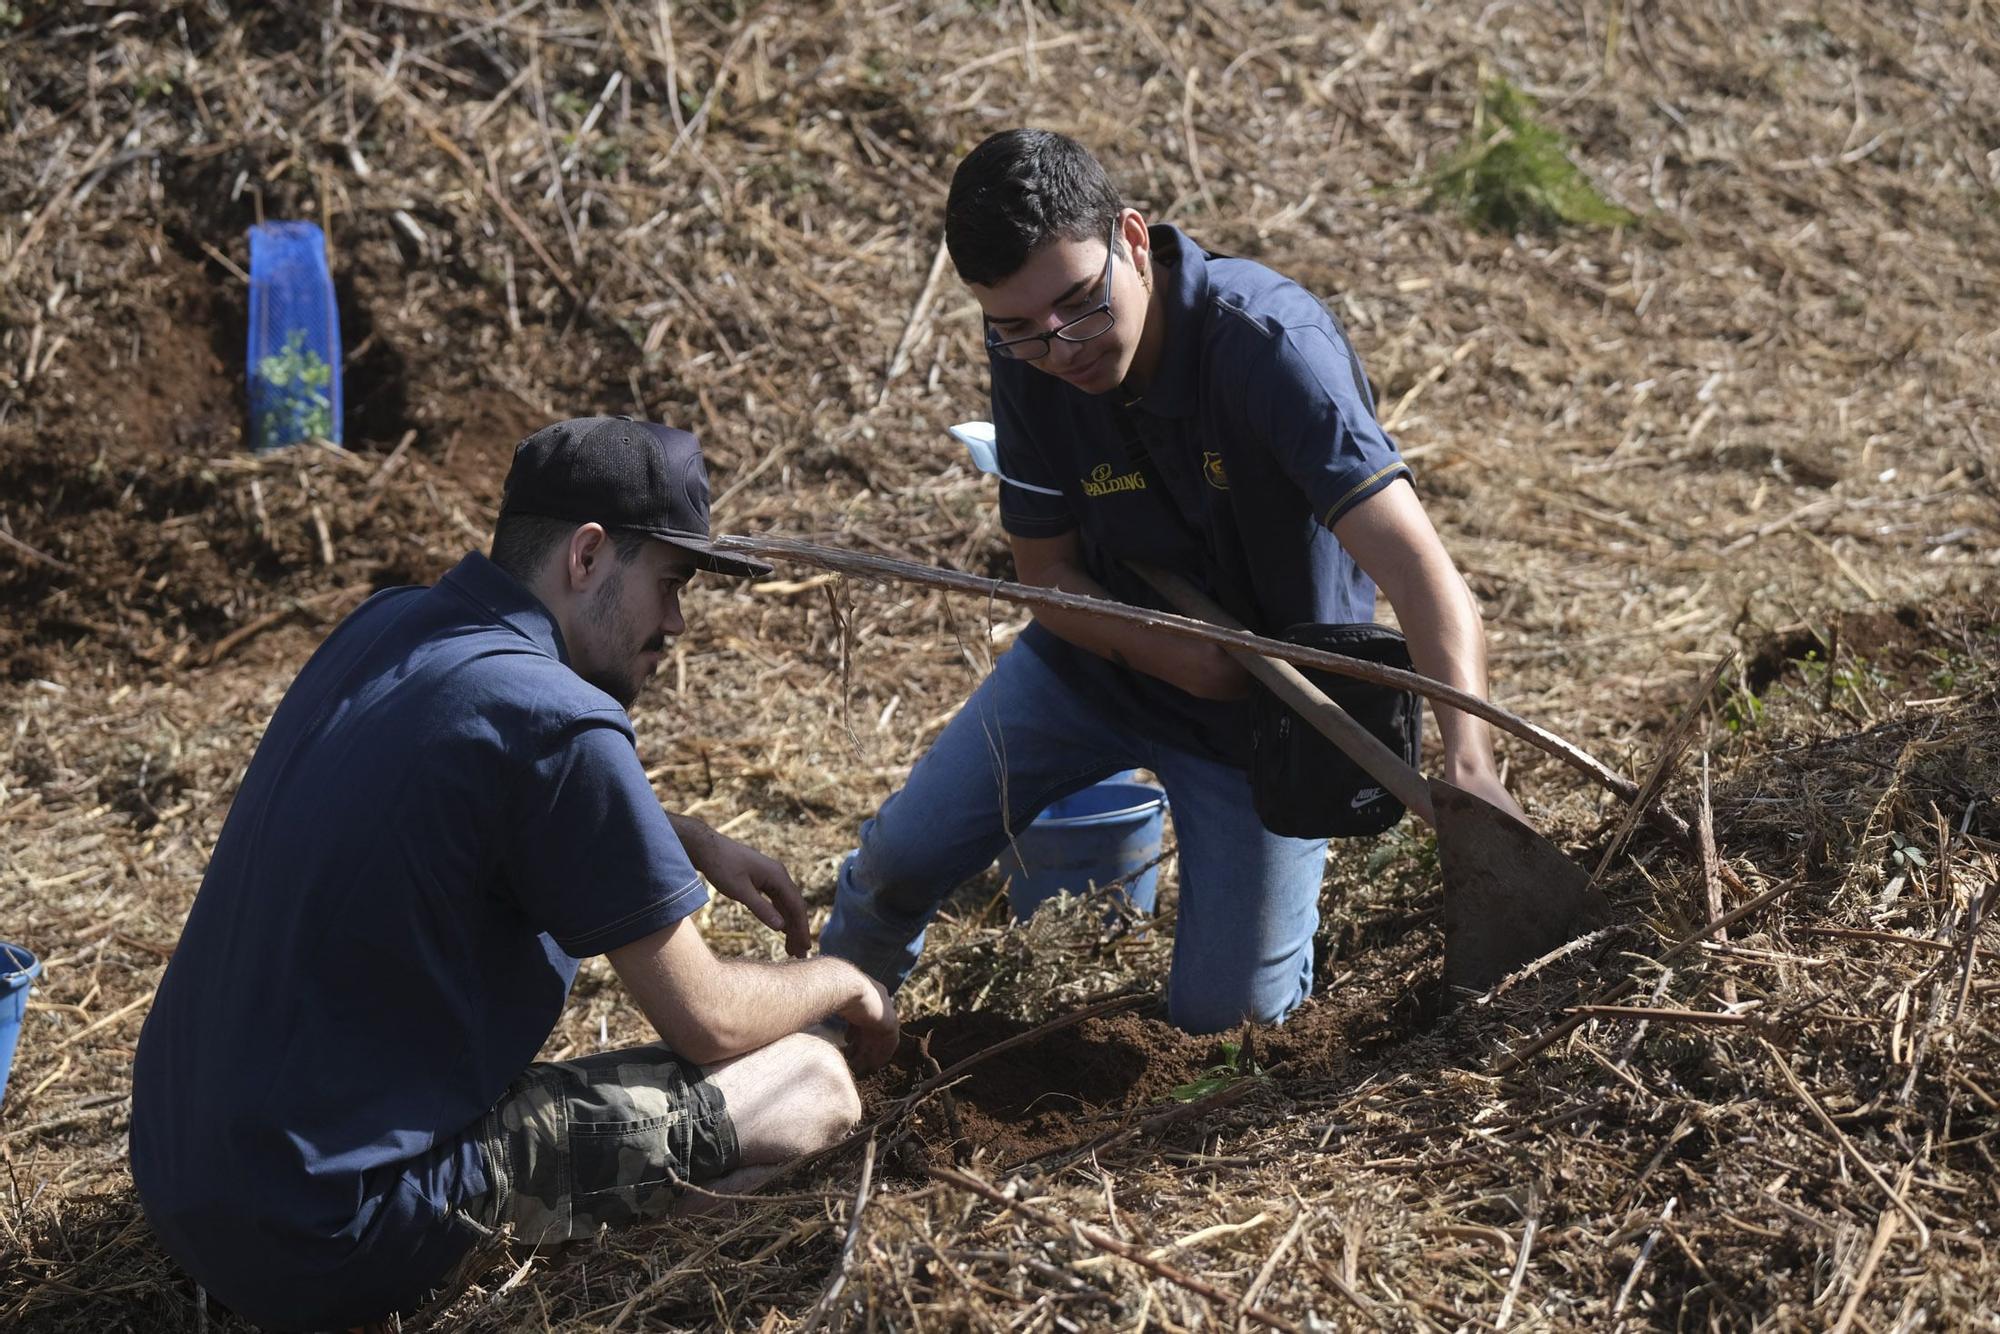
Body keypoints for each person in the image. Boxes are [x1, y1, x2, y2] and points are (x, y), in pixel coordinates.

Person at [131, 418, 898, 1333]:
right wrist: (845, 980)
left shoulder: (386, 625)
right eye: (671, 583)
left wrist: (675, 835)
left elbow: (466, 791)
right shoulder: (560, 722)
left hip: (188, 1183)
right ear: (587, 557)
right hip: (329, 1236)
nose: (678, 625)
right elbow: (714, 1021)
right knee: (811, 1083)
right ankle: (604, 1280)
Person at [822, 129, 1523, 1034]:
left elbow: (1424, 574)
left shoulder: (1269, 348)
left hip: (1274, 713)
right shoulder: (1028, 352)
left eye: (1080, 306)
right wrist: (1168, 652)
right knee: (895, 863)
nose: (1061, 346)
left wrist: (1470, 768)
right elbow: (1047, 576)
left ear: (1133, 238)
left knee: (1226, 1026)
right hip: (1091, 663)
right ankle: (818, 1051)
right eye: (1020, 328)